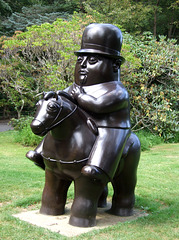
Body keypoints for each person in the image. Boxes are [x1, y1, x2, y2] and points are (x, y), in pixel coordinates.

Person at [27, 23, 131, 184]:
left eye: (92, 60)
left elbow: (100, 105)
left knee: (107, 138)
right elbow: (64, 99)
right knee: (57, 119)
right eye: (80, 59)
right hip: (81, 125)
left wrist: (81, 97)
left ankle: (100, 168)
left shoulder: (117, 90)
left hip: (109, 126)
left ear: (115, 65)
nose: (83, 65)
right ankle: (41, 153)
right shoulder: (76, 87)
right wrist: (55, 97)